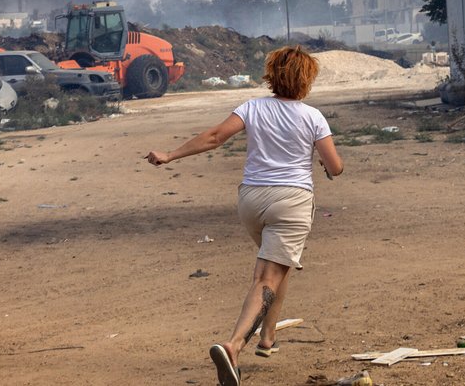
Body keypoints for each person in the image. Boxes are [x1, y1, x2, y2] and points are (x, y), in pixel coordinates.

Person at [145, 45, 343, 386]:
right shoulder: (313, 117)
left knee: (276, 266)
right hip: (291, 201)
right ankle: (234, 345)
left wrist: (170, 155)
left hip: (251, 201)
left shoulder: (252, 108)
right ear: (306, 80)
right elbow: (336, 167)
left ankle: (267, 338)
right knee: (266, 277)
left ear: (272, 75)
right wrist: (324, 162)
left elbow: (215, 137)